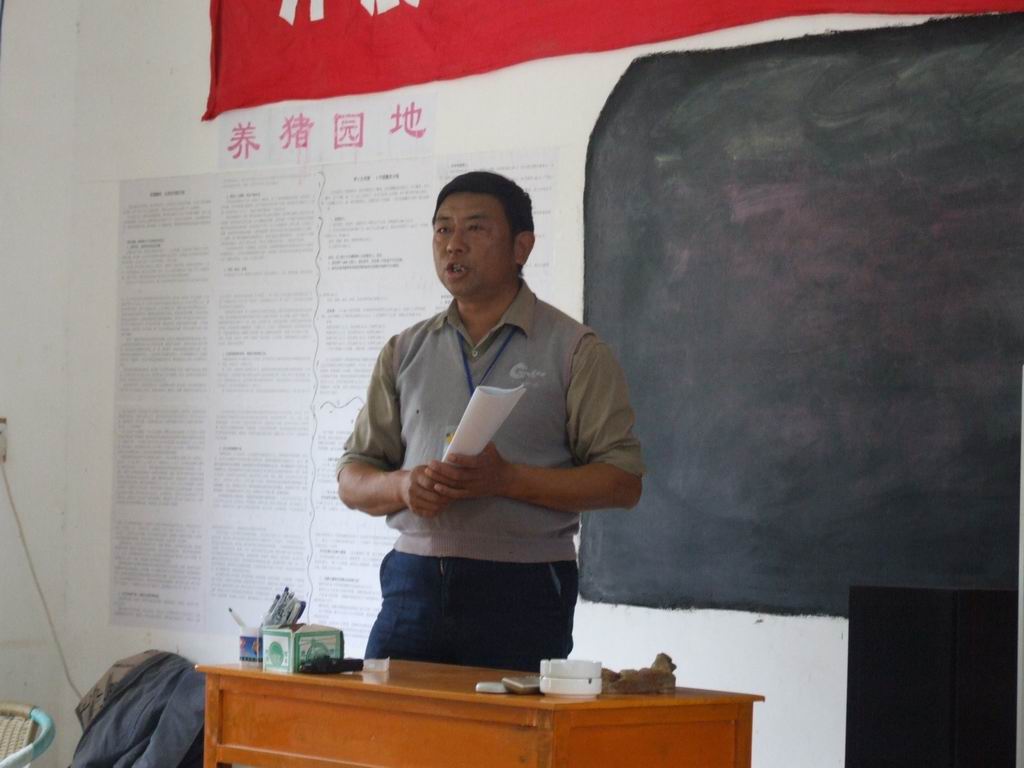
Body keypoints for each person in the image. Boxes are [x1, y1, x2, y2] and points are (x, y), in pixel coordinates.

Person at [337, 171, 643, 671]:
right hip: (413, 582)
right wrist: (404, 486)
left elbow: (623, 482)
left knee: (509, 724)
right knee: (387, 720)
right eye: (443, 229)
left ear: (522, 246)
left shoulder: (574, 349)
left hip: (523, 588)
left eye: (476, 228)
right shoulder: (405, 350)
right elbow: (352, 478)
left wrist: (507, 480)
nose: (454, 244)